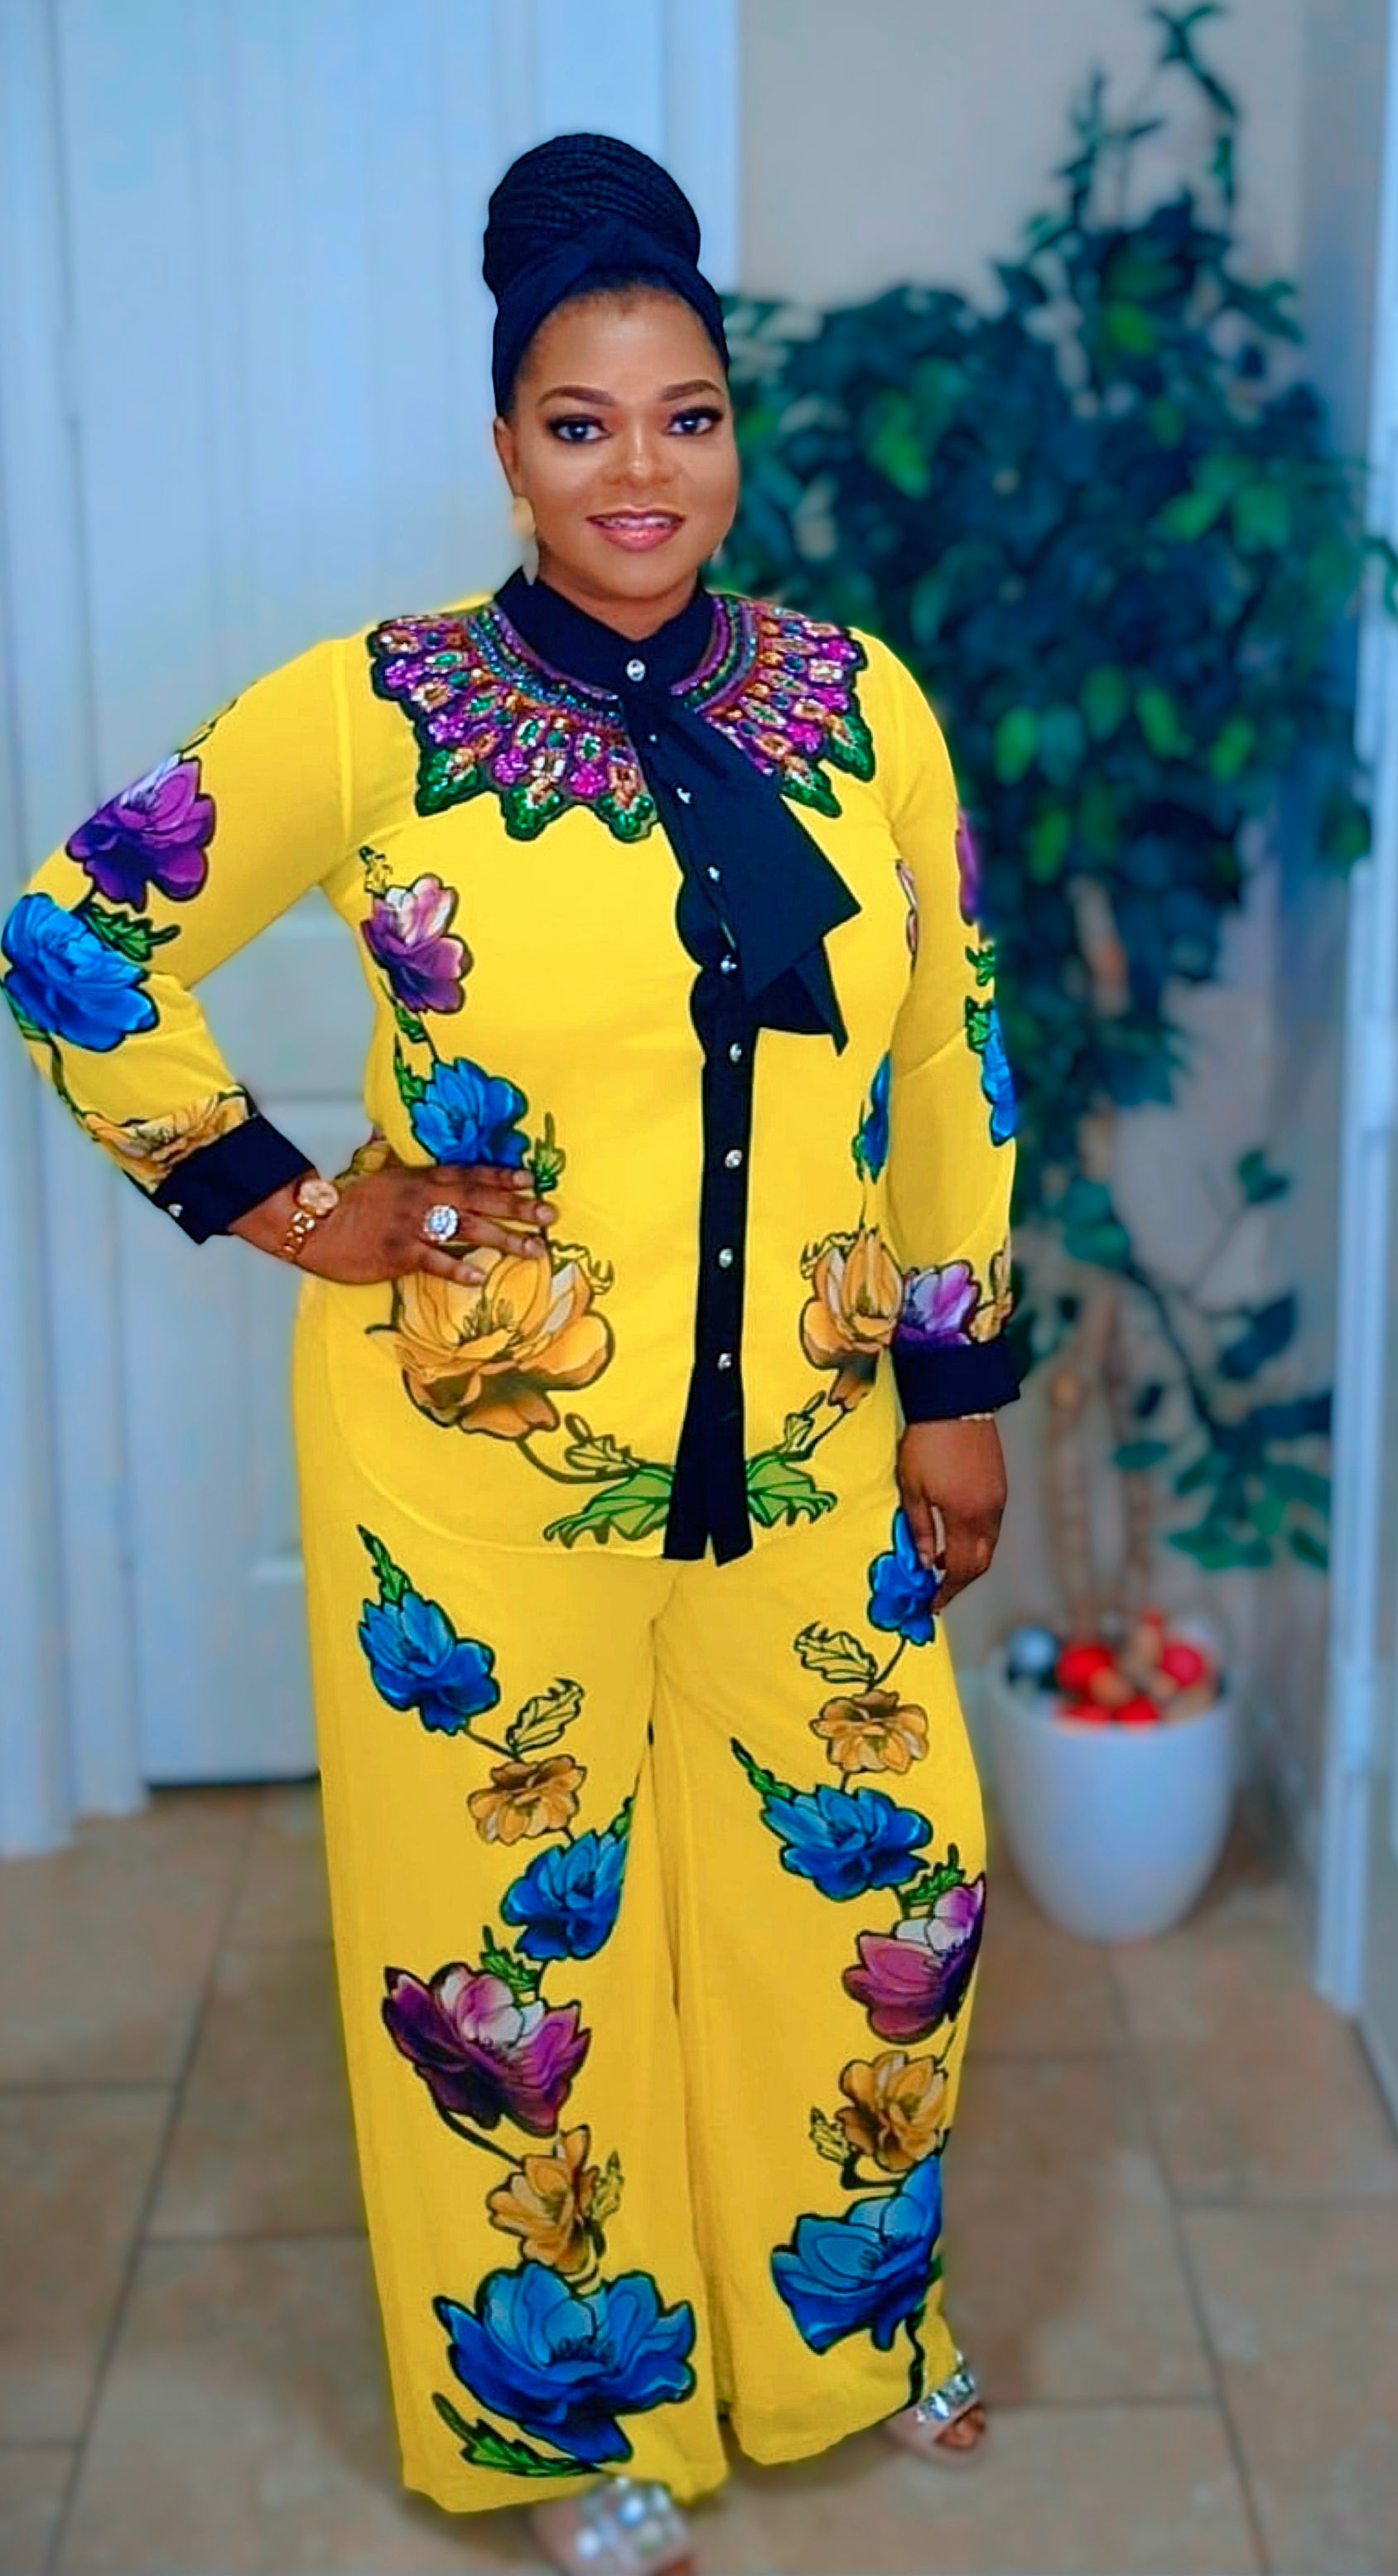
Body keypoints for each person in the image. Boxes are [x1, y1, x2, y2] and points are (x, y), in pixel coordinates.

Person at [2, 133, 1018, 2576]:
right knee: (511, 1951)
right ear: (505, 447)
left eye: (684, 416)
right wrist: (287, 1200)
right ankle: (575, 2422)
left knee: (879, 1894)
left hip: (814, 1452)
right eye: (581, 423)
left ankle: (848, 2326)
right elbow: (71, 936)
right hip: (473, 1470)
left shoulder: (860, 706)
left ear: (733, 432)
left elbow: (948, 1052)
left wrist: (962, 1391)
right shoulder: (380, 714)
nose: (637, 470)